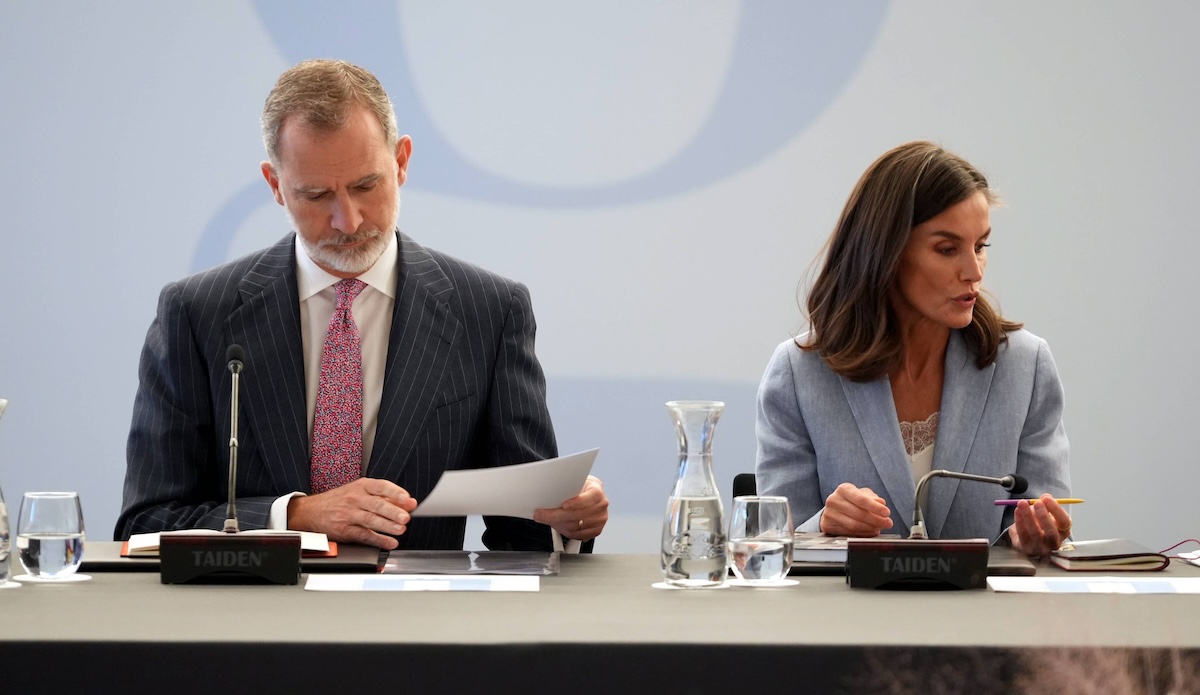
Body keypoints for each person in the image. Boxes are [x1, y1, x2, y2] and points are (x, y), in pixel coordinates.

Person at [115, 59, 608, 551]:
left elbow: (523, 531)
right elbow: (146, 521)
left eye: (365, 186)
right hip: (254, 620)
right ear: (275, 186)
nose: (347, 221)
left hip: (417, 623)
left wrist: (566, 520)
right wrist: (295, 515)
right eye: (315, 194)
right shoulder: (197, 314)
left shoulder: (490, 312)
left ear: (402, 162)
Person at [755, 141, 1070, 556]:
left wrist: (1040, 537)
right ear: (886, 251)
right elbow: (770, 548)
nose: (973, 271)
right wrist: (824, 526)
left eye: (981, 246)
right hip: (846, 620)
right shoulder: (799, 374)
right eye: (947, 249)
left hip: (987, 619)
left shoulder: (1025, 366)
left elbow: (1044, 527)